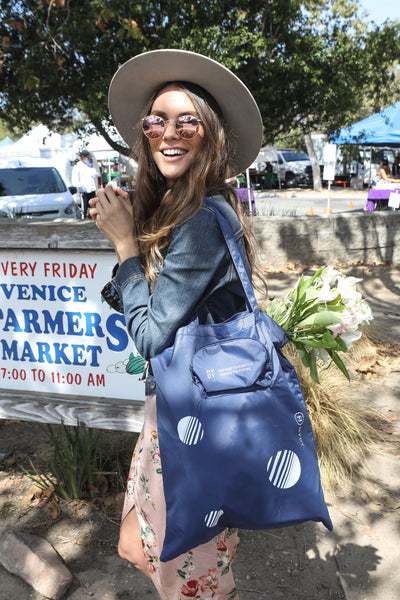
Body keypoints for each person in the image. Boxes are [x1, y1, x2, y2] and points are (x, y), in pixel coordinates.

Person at [89, 49, 263, 600]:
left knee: (189, 573)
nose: (170, 131)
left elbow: (149, 334)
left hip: (198, 418)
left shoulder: (204, 220)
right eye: (156, 119)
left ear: (210, 135)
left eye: (187, 119)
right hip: (171, 406)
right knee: (137, 546)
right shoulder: (176, 210)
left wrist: (123, 246)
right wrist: (132, 244)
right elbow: (152, 309)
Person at [71, 149, 98, 218]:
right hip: (84, 191)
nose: (88, 158)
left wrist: (91, 167)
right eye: (87, 157)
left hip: (92, 189)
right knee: (84, 209)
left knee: (93, 207)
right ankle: (84, 219)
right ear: (82, 157)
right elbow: (74, 181)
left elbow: (95, 175)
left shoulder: (89, 165)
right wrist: (81, 186)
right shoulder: (77, 166)